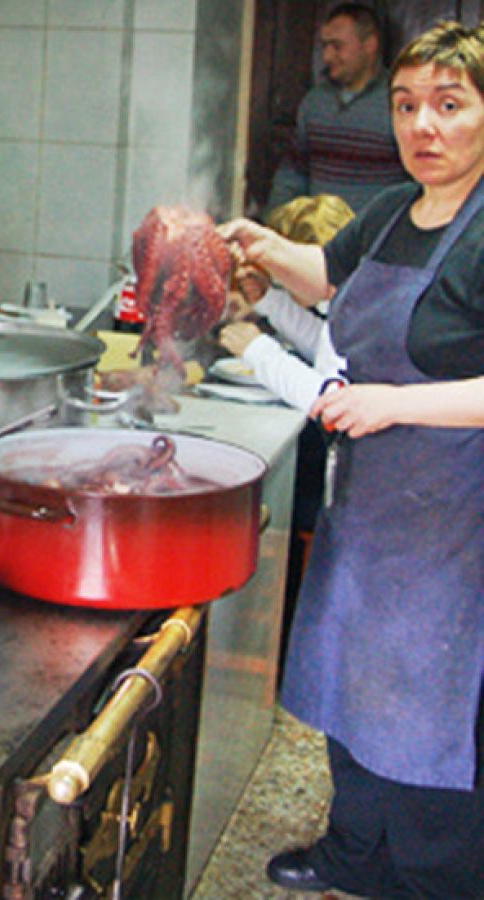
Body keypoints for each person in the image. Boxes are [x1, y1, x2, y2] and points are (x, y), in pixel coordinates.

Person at [222, 21, 484, 896]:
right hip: (371, 502)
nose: (424, 127)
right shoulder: (391, 208)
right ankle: (354, 851)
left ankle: (434, 877)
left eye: (451, 105)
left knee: (432, 706)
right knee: (350, 682)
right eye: (408, 106)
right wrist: (261, 246)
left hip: (456, 518)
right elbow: (328, 276)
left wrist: (394, 404)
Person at [266, 3, 411, 215]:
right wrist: (275, 221)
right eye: (324, 46)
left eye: (337, 46)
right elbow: (292, 174)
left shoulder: (399, 102)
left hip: (376, 243)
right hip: (315, 242)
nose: (327, 57)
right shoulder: (314, 102)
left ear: (369, 45)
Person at [220, 194, 356, 411]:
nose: (279, 278)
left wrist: (258, 351)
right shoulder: (347, 300)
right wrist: (271, 301)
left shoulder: (364, 309)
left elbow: (332, 400)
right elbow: (326, 347)